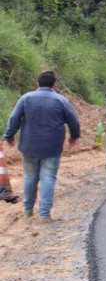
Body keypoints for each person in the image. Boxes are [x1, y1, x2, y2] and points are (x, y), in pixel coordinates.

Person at [3, 71, 81, 222]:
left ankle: (28, 210)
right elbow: (74, 121)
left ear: (38, 84)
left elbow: (14, 119)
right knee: (48, 178)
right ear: (54, 85)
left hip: (29, 146)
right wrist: (74, 136)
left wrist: (9, 136)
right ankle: (45, 214)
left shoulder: (26, 98)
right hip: (52, 148)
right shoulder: (61, 100)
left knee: (30, 178)